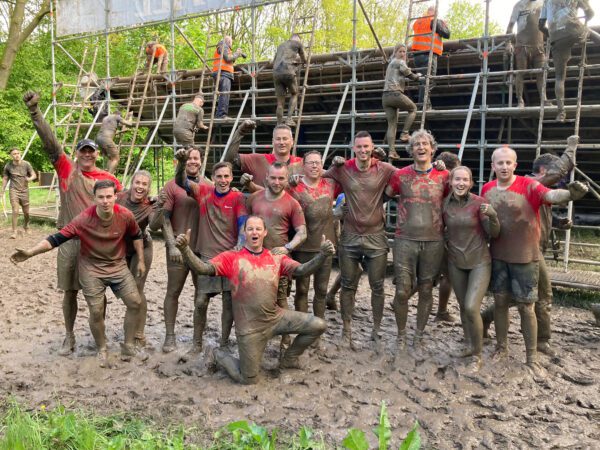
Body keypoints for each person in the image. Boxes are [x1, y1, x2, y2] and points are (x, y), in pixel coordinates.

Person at [174, 215, 334, 384]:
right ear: (245, 232)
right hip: (250, 330)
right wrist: (185, 250)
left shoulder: (276, 257)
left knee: (318, 325)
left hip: (275, 318)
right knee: (248, 379)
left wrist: (322, 255)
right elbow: (203, 269)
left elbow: (302, 270)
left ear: (265, 232)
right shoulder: (232, 257)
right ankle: (217, 354)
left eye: (258, 229)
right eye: (250, 229)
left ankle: (289, 359)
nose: (254, 232)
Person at [22, 91, 122, 357]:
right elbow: (51, 143)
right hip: (68, 241)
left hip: (96, 244)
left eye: (91, 151)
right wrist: (35, 112)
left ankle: (99, 337)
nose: (87, 155)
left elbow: (122, 210)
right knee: (69, 292)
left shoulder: (106, 179)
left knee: (97, 294)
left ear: (97, 155)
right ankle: (69, 336)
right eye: (83, 151)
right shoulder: (67, 169)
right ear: (77, 154)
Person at [11, 180, 147, 367]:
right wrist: (30, 252)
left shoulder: (125, 215)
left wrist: (140, 260)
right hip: (91, 268)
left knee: (135, 302)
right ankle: (102, 348)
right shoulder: (84, 219)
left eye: (109, 196)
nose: (105, 201)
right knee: (96, 310)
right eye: (101, 197)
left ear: (116, 196)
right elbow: (55, 238)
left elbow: (136, 235)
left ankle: (129, 345)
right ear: (94, 199)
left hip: (117, 266)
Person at [481, 145, 587, 373]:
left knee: (526, 306)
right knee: (500, 303)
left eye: (509, 162)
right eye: (500, 163)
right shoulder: (487, 189)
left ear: (515, 165)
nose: (504, 166)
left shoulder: (529, 184)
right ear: (493, 166)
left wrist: (569, 195)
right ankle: (501, 347)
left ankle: (531, 357)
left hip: (527, 257)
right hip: (499, 256)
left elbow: (550, 195)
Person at [324, 131, 396, 350]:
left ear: (372, 147)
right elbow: (321, 180)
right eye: (359, 147)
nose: (363, 150)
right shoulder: (343, 168)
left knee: (377, 286)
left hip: (376, 236)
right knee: (348, 284)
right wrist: (332, 165)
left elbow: (408, 176)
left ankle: (375, 331)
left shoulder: (383, 169)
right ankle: (346, 330)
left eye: (367, 147)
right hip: (350, 235)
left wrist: (439, 168)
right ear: (353, 148)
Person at [174, 152, 247, 354]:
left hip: (230, 257)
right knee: (200, 300)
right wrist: (181, 163)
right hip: (207, 256)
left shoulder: (238, 197)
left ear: (231, 178)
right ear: (212, 178)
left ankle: (223, 342)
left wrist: (240, 245)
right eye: (219, 176)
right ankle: (197, 342)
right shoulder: (203, 191)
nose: (223, 180)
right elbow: (181, 181)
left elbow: (243, 224)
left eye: (226, 176)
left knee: (227, 303)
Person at [385, 130, 449, 351]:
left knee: (425, 289)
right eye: (416, 144)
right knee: (402, 290)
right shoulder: (400, 175)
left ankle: (419, 335)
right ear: (410, 150)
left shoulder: (445, 176)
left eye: (425, 144)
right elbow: (383, 195)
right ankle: (401, 334)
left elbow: (457, 200)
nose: (421, 147)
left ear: (433, 148)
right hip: (405, 239)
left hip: (434, 240)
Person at [443, 166, 500, 371]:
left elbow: (494, 232)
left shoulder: (480, 203)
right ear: (450, 182)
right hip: (456, 261)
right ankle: (469, 343)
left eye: (465, 180)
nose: (461, 183)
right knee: (462, 306)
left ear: (471, 183)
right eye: (457, 179)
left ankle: (477, 354)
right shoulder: (445, 205)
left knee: (470, 307)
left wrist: (493, 216)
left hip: (479, 261)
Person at [246, 163, 307, 351]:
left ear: (286, 179)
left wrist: (287, 247)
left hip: (277, 261)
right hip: (254, 259)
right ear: (266, 178)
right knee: (254, 298)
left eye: (281, 178)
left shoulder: (292, 203)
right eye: (273, 178)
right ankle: (257, 335)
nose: (277, 182)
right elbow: (243, 222)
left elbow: (302, 232)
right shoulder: (254, 198)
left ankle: (286, 339)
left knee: (280, 299)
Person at [155, 147, 202, 353]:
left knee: (201, 295)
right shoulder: (172, 186)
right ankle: (170, 335)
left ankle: (197, 338)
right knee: (173, 291)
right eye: (189, 158)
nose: (192, 161)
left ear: (201, 161)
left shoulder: (209, 184)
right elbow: (164, 218)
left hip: (200, 249)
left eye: (195, 158)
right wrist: (172, 244)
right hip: (176, 248)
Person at [288, 151, 340, 322]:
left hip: (325, 245)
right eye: (310, 163)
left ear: (322, 164)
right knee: (302, 288)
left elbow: (351, 177)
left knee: (322, 289)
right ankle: (302, 325)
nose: (315, 166)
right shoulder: (294, 186)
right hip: (303, 246)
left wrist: (339, 163)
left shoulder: (330, 183)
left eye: (318, 163)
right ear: (303, 165)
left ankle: (318, 325)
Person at [116, 170, 160, 349]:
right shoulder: (118, 198)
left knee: (137, 291)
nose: (140, 187)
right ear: (131, 183)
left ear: (149, 188)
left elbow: (155, 225)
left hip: (142, 249)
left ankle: (139, 333)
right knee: (122, 291)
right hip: (119, 249)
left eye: (144, 184)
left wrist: (161, 206)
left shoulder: (150, 205)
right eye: (138, 183)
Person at [539, 0, 598, 121]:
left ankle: (561, 113)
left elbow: (540, 25)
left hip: (556, 36)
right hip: (574, 30)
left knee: (559, 77)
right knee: (591, 33)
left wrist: (551, 34)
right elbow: (591, 13)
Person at [225, 121, 303, 191]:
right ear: (273, 142)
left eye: (285, 139)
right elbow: (229, 159)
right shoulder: (258, 160)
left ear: (292, 141)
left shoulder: (302, 164)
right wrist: (240, 132)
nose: (281, 142)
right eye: (278, 139)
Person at [506, 0, 550, 108]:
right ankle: (520, 100)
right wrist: (508, 43)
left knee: (541, 73)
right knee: (521, 72)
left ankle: (544, 100)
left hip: (538, 47)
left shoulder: (542, 4)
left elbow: (551, 22)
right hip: (522, 46)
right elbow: (510, 27)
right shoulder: (519, 5)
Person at [433, 151, 460, 322]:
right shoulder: (446, 184)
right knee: (446, 275)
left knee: (432, 274)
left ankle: (400, 299)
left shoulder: (432, 179)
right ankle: (442, 312)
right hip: (441, 233)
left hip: (434, 231)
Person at [382, 43, 422, 160]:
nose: (403, 54)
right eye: (400, 51)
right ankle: (405, 133)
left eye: (404, 52)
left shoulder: (390, 63)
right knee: (413, 108)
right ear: (395, 52)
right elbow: (410, 75)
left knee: (392, 124)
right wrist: (418, 76)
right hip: (395, 94)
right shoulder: (400, 62)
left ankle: (392, 151)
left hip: (385, 97)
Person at [410, 6, 450, 109]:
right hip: (428, 55)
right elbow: (447, 34)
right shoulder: (434, 21)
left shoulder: (418, 21)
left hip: (417, 56)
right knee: (429, 80)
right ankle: (424, 106)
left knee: (422, 81)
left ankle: (422, 105)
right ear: (435, 12)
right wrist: (445, 24)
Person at [273, 34, 307, 127]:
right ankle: (289, 119)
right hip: (288, 71)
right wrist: (304, 63)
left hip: (276, 73)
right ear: (298, 40)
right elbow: (304, 57)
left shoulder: (280, 46)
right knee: (294, 93)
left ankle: (279, 124)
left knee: (280, 102)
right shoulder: (297, 44)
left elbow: (274, 61)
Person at [2, 148, 36, 238]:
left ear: (20, 154)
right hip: (13, 190)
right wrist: (2, 190)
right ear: (11, 156)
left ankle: (26, 226)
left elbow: (34, 174)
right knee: (15, 211)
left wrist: (30, 178)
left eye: (18, 153)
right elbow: (5, 178)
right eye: (14, 154)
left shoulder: (26, 164)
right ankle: (14, 232)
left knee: (26, 212)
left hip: (24, 190)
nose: (16, 155)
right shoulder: (8, 166)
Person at [212, 36, 244, 119]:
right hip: (223, 73)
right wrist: (237, 53)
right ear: (229, 41)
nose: (231, 45)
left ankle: (219, 114)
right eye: (231, 43)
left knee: (223, 95)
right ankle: (221, 115)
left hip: (221, 73)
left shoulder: (222, 47)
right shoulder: (223, 45)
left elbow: (230, 59)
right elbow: (228, 59)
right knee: (224, 94)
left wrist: (237, 55)